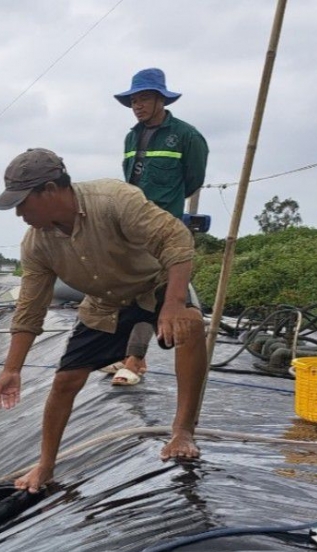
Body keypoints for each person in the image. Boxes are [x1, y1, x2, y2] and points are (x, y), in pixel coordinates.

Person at [0, 148, 206, 493]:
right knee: (64, 382)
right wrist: (12, 368)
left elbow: (175, 238)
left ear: (49, 190)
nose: (18, 213)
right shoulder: (36, 244)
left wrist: (175, 303)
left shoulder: (113, 200)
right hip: (105, 304)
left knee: (190, 326)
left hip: (155, 284)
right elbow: (30, 308)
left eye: (23, 202)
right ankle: (45, 465)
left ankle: (182, 431)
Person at [108, 68, 209, 386]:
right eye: (134, 100)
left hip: (164, 228)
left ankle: (135, 360)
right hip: (132, 227)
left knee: (154, 293)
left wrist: (170, 205)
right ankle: (129, 355)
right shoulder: (130, 136)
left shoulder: (186, 135)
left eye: (145, 98)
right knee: (131, 291)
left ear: (161, 99)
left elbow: (193, 179)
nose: (138, 105)